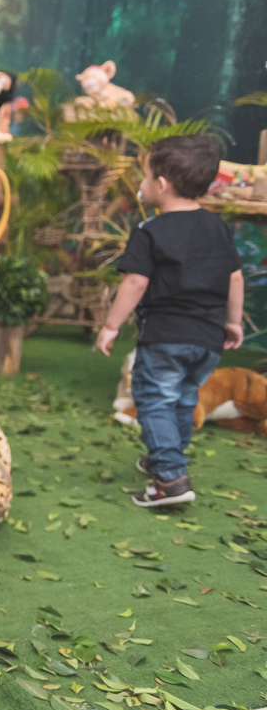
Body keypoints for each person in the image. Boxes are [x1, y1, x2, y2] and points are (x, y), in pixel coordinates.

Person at [96, 135, 243, 507]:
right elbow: (235, 278)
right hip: (208, 339)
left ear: (161, 184)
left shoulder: (150, 231)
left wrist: (111, 325)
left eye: (145, 176)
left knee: (155, 400)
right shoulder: (218, 228)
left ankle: (171, 479)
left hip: (165, 336)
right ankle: (165, 458)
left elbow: (136, 282)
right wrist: (234, 322)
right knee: (184, 397)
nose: (142, 183)